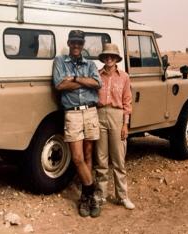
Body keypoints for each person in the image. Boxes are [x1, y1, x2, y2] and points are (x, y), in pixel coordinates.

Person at [53, 30, 102, 218]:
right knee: (77, 158)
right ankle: (93, 192)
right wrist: (85, 82)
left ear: (83, 45)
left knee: (89, 155)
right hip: (72, 114)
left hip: (90, 111)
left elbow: (97, 83)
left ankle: (84, 198)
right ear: (68, 42)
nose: (76, 46)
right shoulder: (59, 61)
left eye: (79, 43)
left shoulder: (90, 63)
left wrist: (73, 79)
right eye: (73, 42)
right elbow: (59, 85)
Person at [95, 43, 135, 209]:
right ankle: (101, 195)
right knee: (101, 159)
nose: (109, 58)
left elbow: (127, 102)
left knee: (118, 159)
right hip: (100, 115)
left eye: (112, 56)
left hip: (117, 116)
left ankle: (122, 196)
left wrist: (125, 125)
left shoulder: (124, 77)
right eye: (106, 55)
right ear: (103, 58)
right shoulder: (97, 75)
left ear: (117, 58)